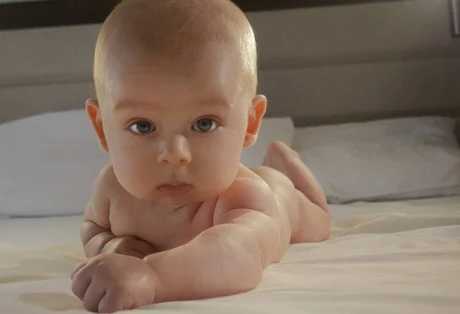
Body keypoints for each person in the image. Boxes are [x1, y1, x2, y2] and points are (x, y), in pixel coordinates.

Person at [70, 0, 331, 312]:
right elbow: (93, 227)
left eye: (204, 124)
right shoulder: (112, 189)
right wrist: (108, 245)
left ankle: (285, 162)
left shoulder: (246, 200)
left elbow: (238, 257)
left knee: (318, 223)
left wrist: (152, 276)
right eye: (142, 126)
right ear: (102, 129)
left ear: (250, 122)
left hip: (281, 198)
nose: (174, 155)